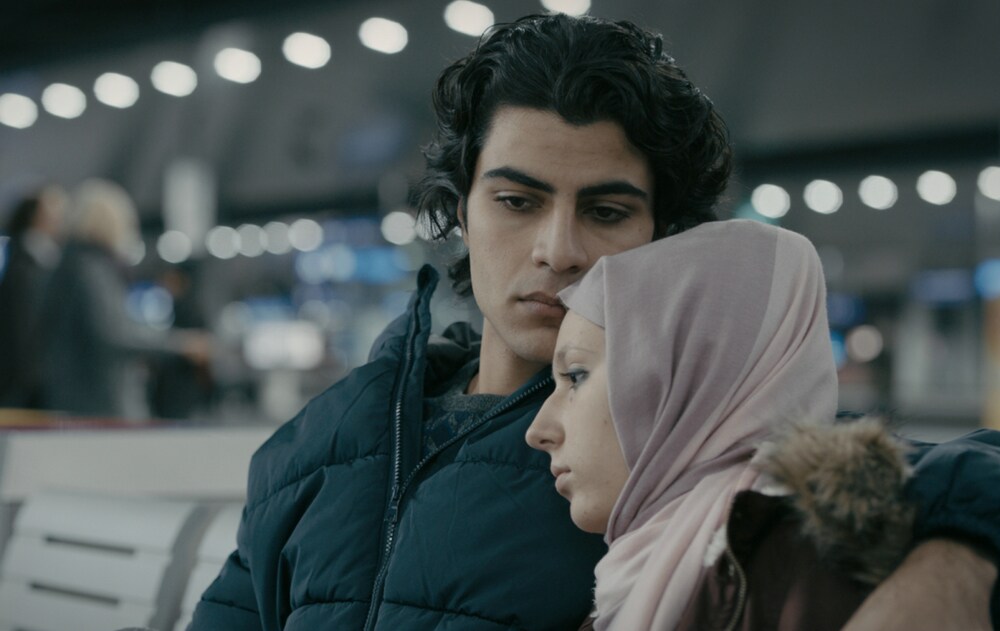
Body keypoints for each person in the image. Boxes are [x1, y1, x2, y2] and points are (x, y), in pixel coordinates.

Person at [190, 14, 998, 631]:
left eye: (606, 211)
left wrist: (956, 564)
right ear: (462, 214)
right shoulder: (328, 434)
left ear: (663, 241)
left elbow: (922, 474)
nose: (559, 249)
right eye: (517, 200)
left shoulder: (683, 445)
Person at [527, 219, 998, 629]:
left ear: (692, 380)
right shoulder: (631, 574)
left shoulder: (819, 570)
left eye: (576, 376)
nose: (539, 430)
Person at [37, 178, 209, 419]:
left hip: (74, 397)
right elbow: (115, 332)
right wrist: (181, 343)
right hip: (99, 402)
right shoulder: (93, 269)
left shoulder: (70, 264)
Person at [0, 185, 68, 407]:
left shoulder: (38, 260)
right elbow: (25, 329)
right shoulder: (27, 266)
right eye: (55, 212)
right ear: (37, 217)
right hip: (27, 383)